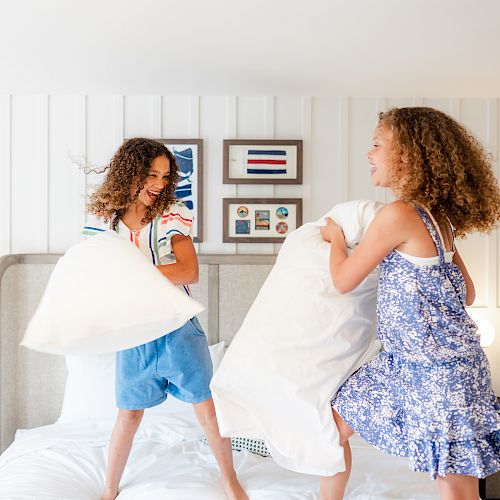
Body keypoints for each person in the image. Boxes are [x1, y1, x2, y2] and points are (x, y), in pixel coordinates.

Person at [320, 107, 500, 500]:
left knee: (455, 485)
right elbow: (467, 293)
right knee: (332, 425)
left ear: (407, 153)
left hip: (440, 372)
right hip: (405, 364)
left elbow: (343, 280)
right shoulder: (438, 217)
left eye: (376, 145)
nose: (369, 154)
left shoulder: (399, 214)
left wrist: (335, 237)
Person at [83, 138, 247, 500]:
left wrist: (132, 272)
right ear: (130, 172)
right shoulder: (105, 222)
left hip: (177, 327)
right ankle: (109, 489)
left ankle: (229, 480)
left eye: (165, 176)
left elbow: (188, 271)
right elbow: (95, 272)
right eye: (151, 174)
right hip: (133, 332)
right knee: (128, 416)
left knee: (208, 409)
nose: (158, 184)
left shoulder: (172, 212)